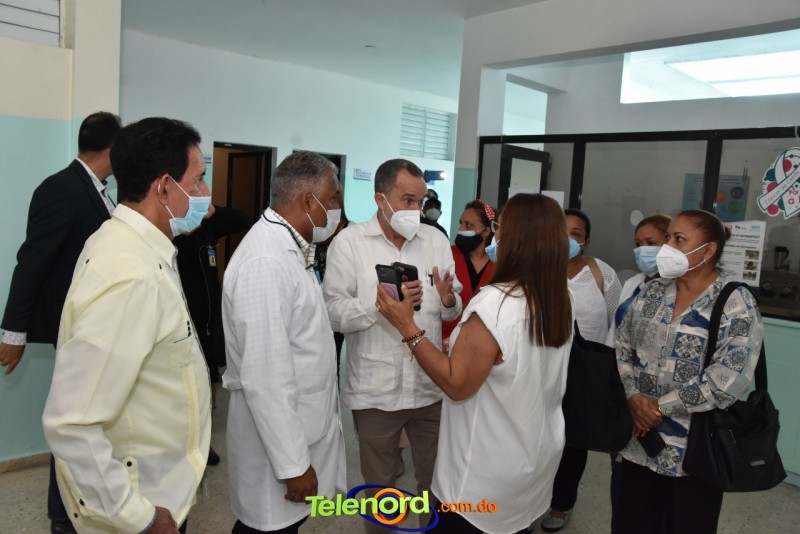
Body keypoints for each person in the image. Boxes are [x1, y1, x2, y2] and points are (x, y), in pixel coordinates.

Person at [41, 117, 213, 533]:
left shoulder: (138, 247)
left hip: (159, 489)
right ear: (164, 187)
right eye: (198, 180)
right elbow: (72, 423)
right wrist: (139, 517)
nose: (205, 193)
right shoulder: (131, 274)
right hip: (140, 507)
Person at [375, 193, 574, 534]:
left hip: (482, 478)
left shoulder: (496, 303)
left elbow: (457, 384)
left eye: (500, 228)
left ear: (515, 238)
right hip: (534, 463)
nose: (495, 236)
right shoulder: (560, 296)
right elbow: (514, 360)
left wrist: (407, 326)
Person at [323, 158, 462, 532]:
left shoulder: (435, 240)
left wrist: (449, 300)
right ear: (380, 199)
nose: (416, 209)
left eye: (421, 201)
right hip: (375, 391)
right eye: (407, 200)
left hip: (430, 387)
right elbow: (333, 312)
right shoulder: (350, 243)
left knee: (436, 484)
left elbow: (452, 310)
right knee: (381, 490)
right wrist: (379, 306)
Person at [0, 111, 120, 534]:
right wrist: (13, 333)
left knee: (87, 424)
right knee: (74, 425)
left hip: (97, 328)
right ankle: (62, 517)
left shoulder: (101, 191)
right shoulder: (61, 189)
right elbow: (32, 262)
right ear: (112, 149)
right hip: (76, 329)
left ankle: (84, 507)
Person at [615, 209, 763, 533]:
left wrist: (657, 407)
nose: (667, 247)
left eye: (679, 239)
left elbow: (727, 380)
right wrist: (633, 397)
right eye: (668, 238)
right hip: (639, 443)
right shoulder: (652, 292)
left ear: (708, 250)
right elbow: (623, 347)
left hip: (695, 454)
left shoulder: (735, 302)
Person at [222, 151, 346, 534]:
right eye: (333, 198)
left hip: (300, 432)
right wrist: (293, 466)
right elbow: (266, 376)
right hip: (277, 454)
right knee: (265, 529)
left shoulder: (290, 249)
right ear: (308, 201)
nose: (337, 209)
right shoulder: (266, 262)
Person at [542, 208, 621, 533]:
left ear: (585, 241)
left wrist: (605, 373)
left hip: (585, 373)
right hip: (543, 369)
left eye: (575, 234)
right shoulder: (538, 269)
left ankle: (561, 504)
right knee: (538, 439)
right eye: (561, 230)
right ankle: (532, 500)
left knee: (574, 441)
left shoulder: (602, 273)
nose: (567, 239)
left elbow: (617, 322)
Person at [605, 212, 670, 533]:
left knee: (658, 498)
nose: (642, 250)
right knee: (624, 486)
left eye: (650, 242)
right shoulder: (633, 284)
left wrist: (643, 405)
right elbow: (614, 339)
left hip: (655, 405)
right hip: (622, 393)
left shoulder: (678, 289)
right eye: (637, 244)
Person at [174, 199, 249, 466]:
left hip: (208, 321)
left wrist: (212, 211)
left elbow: (241, 220)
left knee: (206, 383)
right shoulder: (170, 231)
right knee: (183, 388)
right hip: (182, 321)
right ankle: (183, 446)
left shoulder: (207, 225)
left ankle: (202, 443)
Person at [442, 199, 497, 352]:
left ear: (486, 231)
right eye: (461, 223)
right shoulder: (448, 255)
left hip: (483, 345)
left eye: (468, 225)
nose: (460, 229)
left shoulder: (499, 262)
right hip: (444, 341)